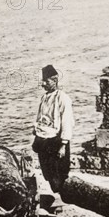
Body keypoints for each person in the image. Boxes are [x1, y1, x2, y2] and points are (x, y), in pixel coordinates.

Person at [32, 65, 74, 194]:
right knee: (47, 172)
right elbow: (41, 117)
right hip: (43, 139)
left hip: (56, 141)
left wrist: (63, 145)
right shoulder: (44, 98)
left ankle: (61, 197)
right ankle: (56, 194)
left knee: (58, 172)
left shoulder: (63, 98)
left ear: (54, 80)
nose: (43, 84)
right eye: (43, 81)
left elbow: (67, 122)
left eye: (46, 81)